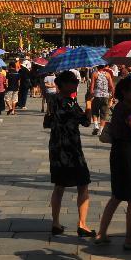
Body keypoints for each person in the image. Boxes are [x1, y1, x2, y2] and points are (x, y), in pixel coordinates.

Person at [94, 76, 131, 251]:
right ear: (124, 91)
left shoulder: (121, 107)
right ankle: (130, 240)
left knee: (117, 196)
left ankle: (102, 233)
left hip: (118, 153)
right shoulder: (128, 111)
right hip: (126, 156)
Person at [46, 70, 95, 238]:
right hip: (71, 150)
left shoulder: (52, 99)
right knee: (83, 184)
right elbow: (86, 121)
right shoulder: (69, 103)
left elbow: (48, 121)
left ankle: (55, 222)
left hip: (56, 148)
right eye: (73, 81)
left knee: (59, 186)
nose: (76, 84)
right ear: (64, 84)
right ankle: (82, 224)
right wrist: (88, 103)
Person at [90, 64, 115, 136]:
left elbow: (92, 86)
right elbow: (111, 86)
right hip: (105, 96)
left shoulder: (94, 74)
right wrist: (113, 96)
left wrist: (91, 95)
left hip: (97, 95)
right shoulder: (107, 74)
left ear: (97, 67)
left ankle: (96, 125)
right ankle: (101, 130)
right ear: (104, 67)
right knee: (104, 113)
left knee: (94, 111)